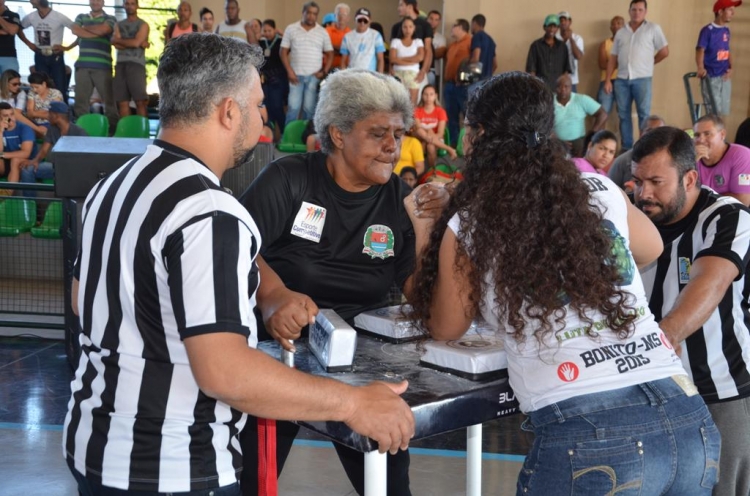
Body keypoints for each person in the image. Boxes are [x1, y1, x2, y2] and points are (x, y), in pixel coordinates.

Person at [64, 34, 415, 495]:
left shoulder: (113, 186)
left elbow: (80, 297)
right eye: (256, 103)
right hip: (173, 465)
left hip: (94, 445)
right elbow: (226, 373)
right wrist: (351, 403)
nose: (263, 114)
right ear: (229, 112)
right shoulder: (210, 212)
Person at [407, 71, 720, 496]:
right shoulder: (598, 189)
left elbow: (445, 326)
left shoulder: (474, 221)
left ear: (477, 137)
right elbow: (649, 248)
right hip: (687, 420)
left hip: (589, 432)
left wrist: (427, 226)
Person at [239, 69, 447, 496]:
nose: (393, 147)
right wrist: (272, 295)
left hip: (360, 369)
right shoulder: (289, 179)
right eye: (378, 134)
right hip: (277, 359)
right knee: (251, 484)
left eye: (398, 133)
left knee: (390, 487)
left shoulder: (397, 200)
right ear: (337, 134)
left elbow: (422, 297)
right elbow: (232, 246)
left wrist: (431, 225)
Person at [633, 126, 750, 496]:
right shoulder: (633, 220)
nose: (643, 192)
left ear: (689, 178)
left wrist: (665, 337)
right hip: (648, 393)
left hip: (721, 390)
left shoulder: (728, 217)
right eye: (637, 180)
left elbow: (709, 283)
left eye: (655, 181)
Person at [605, 0, 669, 150]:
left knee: (644, 115)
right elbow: (613, 57)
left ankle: (643, 147)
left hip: (643, 79)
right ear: (629, 11)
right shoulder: (621, 32)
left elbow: (665, 51)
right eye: (634, 10)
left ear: (645, 12)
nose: (637, 13)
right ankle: (627, 148)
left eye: (640, 10)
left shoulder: (653, 29)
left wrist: (650, 62)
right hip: (621, 79)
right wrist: (608, 79)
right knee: (623, 115)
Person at [281, 2, 333, 124]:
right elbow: (283, 52)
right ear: (303, 12)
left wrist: (324, 72)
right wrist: (289, 71)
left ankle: (306, 139)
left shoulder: (322, 32)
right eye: (308, 12)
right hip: (295, 76)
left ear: (317, 15)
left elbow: (330, 54)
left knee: (309, 110)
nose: (311, 16)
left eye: (314, 14)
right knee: (293, 108)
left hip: (313, 77)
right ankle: (288, 139)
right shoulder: (291, 28)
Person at [71, 0, 119, 132]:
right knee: (80, 103)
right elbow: (74, 29)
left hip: (103, 66)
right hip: (82, 66)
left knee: (109, 103)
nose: (95, 2)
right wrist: (94, 32)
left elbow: (104, 30)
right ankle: (82, 132)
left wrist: (84, 29)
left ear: (103, 2)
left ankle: (113, 133)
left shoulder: (110, 18)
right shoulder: (81, 16)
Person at [19, 101, 87, 190]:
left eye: (49, 114)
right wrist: (35, 161)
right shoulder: (52, 129)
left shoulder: (79, 132)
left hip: (73, 168)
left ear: (56, 115)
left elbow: (85, 157)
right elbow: (44, 150)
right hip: (56, 166)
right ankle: (29, 202)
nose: (47, 117)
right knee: (27, 170)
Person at [19, 0, 74, 101]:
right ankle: (42, 112)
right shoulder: (31, 17)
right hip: (39, 54)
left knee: (60, 88)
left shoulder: (59, 16)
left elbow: (76, 29)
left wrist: (67, 47)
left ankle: (62, 113)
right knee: (41, 85)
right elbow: (18, 28)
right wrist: (28, 43)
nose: (31, 1)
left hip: (55, 55)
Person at [696, 0, 741, 117]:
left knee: (722, 111)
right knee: (713, 111)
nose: (733, 13)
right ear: (720, 11)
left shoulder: (726, 30)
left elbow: (727, 49)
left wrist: (731, 67)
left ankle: (719, 134)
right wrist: (700, 67)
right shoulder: (707, 31)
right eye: (730, 10)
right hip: (712, 75)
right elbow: (700, 50)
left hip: (724, 77)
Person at [693, 114, 750, 206]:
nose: (701, 140)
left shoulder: (742, 155)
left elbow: (742, 200)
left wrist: (699, 197)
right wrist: (692, 163)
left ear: (722, 135)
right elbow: (680, 194)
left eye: (707, 134)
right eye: (697, 135)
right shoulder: (691, 157)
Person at [112, 0, 150, 118]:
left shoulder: (143, 24)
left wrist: (123, 41)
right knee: (122, 102)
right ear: (123, 5)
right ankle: (125, 133)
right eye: (127, 3)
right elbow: (115, 43)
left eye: (132, 3)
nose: (129, 6)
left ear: (137, 5)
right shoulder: (118, 24)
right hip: (120, 64)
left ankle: (143, 133)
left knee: (140, 101)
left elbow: (135, 43)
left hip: (137, 64)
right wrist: (135, 42)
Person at [554, 74, 607, 157]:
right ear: (555, 88)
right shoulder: (549, 103)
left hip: (579, 144)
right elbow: (542, 125)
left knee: (580, 152)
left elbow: (602, 114)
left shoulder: (581, 100)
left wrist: (591, 133)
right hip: (557, 144)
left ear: (571, 87)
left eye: (566, 86)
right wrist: (556, 140)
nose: (563, 90)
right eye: (559, 87)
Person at [608, 114, 665, 191]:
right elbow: (609, 193)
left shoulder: (672, 159)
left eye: (660, 131)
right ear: (641, 133)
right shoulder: (622, 162)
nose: (655, 135)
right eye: (650, 131)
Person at [390, 0, 433, 100]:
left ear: (409, 7)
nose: (398, 8)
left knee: (415, 103)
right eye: (405, 27)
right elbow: (393, 53)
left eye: (401, 5)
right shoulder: (396, 27)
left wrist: (423, 71)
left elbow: (428, 50)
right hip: (398, 72)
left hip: (417, 72)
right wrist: (390, 67)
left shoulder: (425, 25)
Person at [443, 19, 471, 146]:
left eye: (454, 26)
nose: (451, 28)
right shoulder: (453, 45)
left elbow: (475, 63)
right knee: (451, 117)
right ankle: (454, 144)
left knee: (468, 117)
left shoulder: (470, 42)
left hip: (463, 86)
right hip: (449, 85)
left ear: (460, 27)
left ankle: (468, 144)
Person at [526, 14, 571, 89]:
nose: (552, 29)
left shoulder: (562, 47)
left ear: (558, 28)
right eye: (549, 26)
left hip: (558, 89)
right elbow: (531, 70)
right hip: (540, 88)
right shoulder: (536, 46)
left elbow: (566, 70)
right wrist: (534, 87)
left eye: (555, 26)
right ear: (544, 27)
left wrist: (563, 87)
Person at [259, 19, 288, 137]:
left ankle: (283, 133)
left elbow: (291, 43)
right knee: (268, 106)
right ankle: (270, 134)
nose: (267, 33)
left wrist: (281, 34)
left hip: (278, 78)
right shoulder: (261, 42)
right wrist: (260, 34)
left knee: (277, 106)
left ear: (275, 30)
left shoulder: (281, 41)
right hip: (265, 78)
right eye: (264, 30)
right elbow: (252, 42)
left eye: (269, 30)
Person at [0, 101, 37, 186]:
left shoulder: (24, 128)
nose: (11, 118)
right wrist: (1, 132)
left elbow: (26, 153)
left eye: (12, 114)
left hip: (26, 161)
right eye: (6, 116)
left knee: (15, 160)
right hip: (6, 162)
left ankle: (8, 194)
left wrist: (2, 155)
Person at [0, 69, 45, 135]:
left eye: (19, 84)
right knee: (10, 111)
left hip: (13, 120)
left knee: (11, 112)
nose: (18, 86)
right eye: (14, 84)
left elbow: (17, 113)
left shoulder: (21, 93)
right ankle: (38, 130)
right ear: (6, 83)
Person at [390, 17, 424, 104]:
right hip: (398, 73)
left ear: (414, 28)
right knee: (397, 101)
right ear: (401, 28)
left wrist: (401, 59)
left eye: (410, 27)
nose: (408, 29)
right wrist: (412, 61)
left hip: (413, 74)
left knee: (412, 102)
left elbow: (420, 57)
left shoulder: (418, 41)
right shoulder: (395, 41)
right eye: (405, 27)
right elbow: (392, 59)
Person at [340, 8, 385, 73]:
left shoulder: (376, 36)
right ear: (355, 19)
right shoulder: (347, 37)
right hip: (352, 75)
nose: (362, 23)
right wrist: (343, 77)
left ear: (370, 21)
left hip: (369, 76)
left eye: (365, 21)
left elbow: (380, 59)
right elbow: (343, 60)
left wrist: (380, 77)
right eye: (359, 20)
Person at [414, 84, 447, 167]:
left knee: (430, 146)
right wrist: (427, 136)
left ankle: (432, 171)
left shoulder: (441, 111)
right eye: (425, 94)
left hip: (436, 138)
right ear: (422, 96)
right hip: (420, 137)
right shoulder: (417, 111)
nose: (428, 97)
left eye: (431, 94)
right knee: (424, 137)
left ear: (435, 96)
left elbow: (440, 133)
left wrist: (428, 139)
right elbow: (417, 128)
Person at [597, 16, 624, 116]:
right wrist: (619, 63)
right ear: (610, 28)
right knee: (602, 113)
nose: (616, 26)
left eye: (619, 23)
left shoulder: (627, 44)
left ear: (624, 27)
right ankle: (600, 133)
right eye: (613, 24)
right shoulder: (604, 44)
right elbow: (602, 64)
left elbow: (628, 63)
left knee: (623, 114)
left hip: (623, 81)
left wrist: (611, 62)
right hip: (606, 81)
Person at [555, 11, 583, 91]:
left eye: (565, 20)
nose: (563, 22)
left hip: (572, 80)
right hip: (556, 79)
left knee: (571, 103)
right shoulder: (554, 38)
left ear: (570, 22)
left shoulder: (577, 38)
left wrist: (570, 39)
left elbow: (578, 56)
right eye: (560, 20)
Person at [469, 14, 496, 86]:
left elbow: (476, 59)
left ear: (474, 23)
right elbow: (495, 64)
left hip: (477, 80)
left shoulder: (477, 36)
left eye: (471, 25)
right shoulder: (491, 40)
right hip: (488, 81)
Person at [326, 3, 350, 70]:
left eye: (344, 15)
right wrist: (343, 50)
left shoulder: (351, 34)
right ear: (334, 16)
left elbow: (350, 51)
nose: (341, 17)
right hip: (327, 69)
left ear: (348, 18)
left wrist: (332, 47)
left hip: (345, 69)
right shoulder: (326, 31)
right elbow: (324, 49)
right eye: (339, 14)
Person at [425, 10, 446, 88]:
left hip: (435, 72)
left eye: (436, 20)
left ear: (439, 22)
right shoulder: (421, 35)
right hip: (420, 72)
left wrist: (426, 52)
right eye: (431, 18)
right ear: (427, 19)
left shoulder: (441, 38)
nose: (433, 21)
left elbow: (440, 53)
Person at [0, 0, 21, 73]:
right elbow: (9, 30)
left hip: (9, 56)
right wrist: (5, 31)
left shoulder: (13, 15)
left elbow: (12, 31)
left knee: (10, 82)